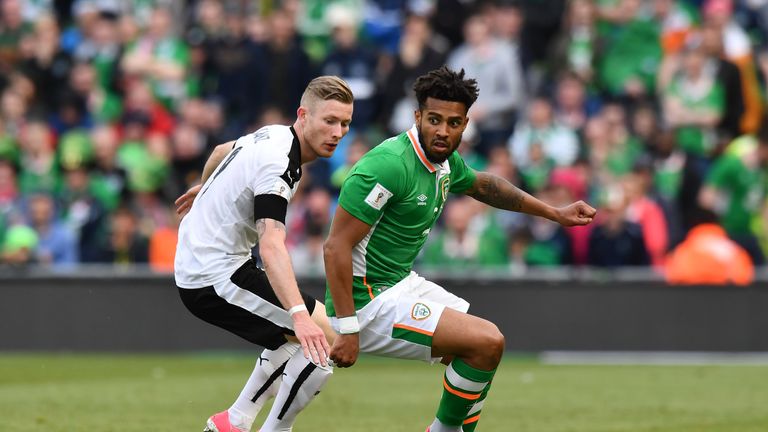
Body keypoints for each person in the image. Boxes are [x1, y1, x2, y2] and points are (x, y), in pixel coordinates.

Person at [324, 67, 596, 432]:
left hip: (399, 283)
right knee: (486, 341)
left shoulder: (444, 162)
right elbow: (335, 247)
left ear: (465, 124)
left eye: (453, 123)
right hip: (366, 300)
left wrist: (554, 212)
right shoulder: (388, 166)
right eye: (434, 120)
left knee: (481, 352)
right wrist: (347, 327)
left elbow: (486, 186)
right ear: (417, 116)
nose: (442, 131)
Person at [174, 75, 354, 432]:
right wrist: (299, 314)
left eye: (345, 123)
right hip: (214, 277)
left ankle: (234, 421)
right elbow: (270, 242)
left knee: (295, 343)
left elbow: (220, 151)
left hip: (206, 264)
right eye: (329, 121)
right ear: (303, 115)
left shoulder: (273, 133)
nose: (338, 132)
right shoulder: (279, 164)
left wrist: (206, 186)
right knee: (324, 344)